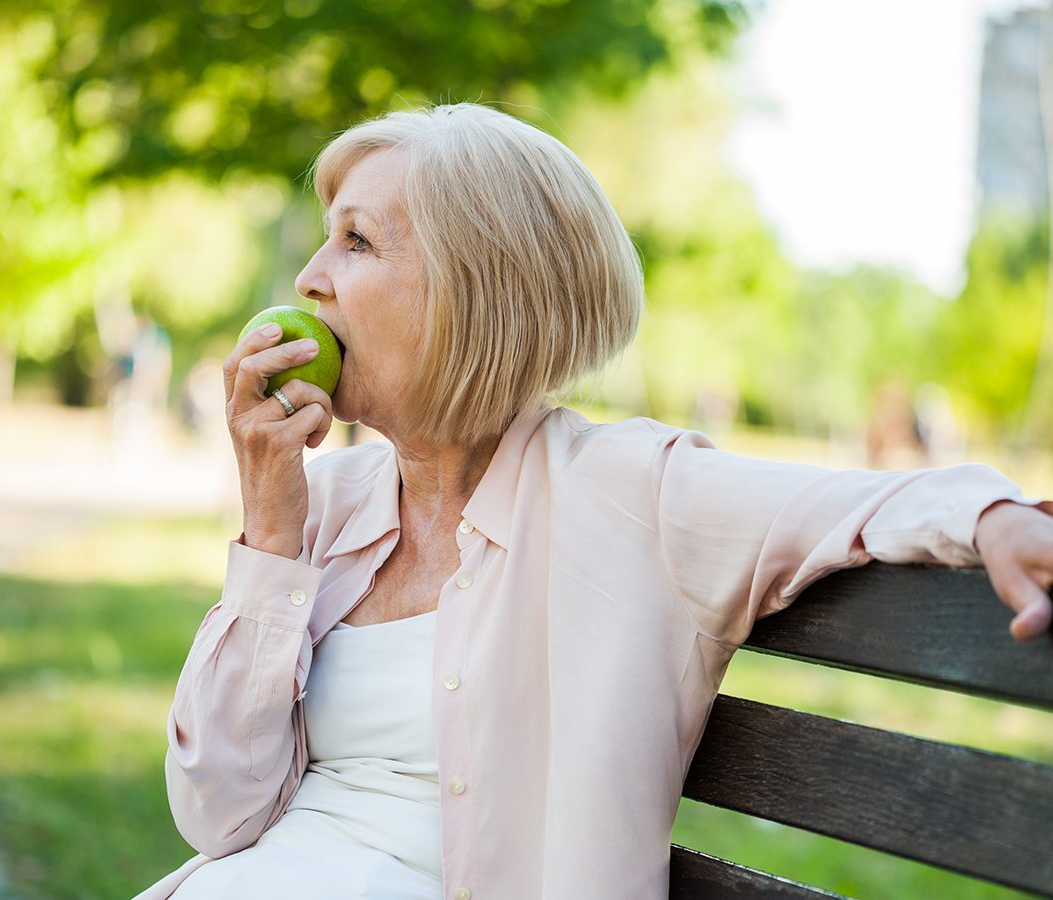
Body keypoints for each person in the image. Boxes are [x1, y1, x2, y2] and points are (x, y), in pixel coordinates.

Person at [136, 103, 1053, 900]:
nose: (310, 277)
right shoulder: (323, 504)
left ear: (476, 294)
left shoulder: (627, 494)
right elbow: (220, 812)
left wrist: (992, 517)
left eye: (358, 241)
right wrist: (269, 534)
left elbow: (846, 502)